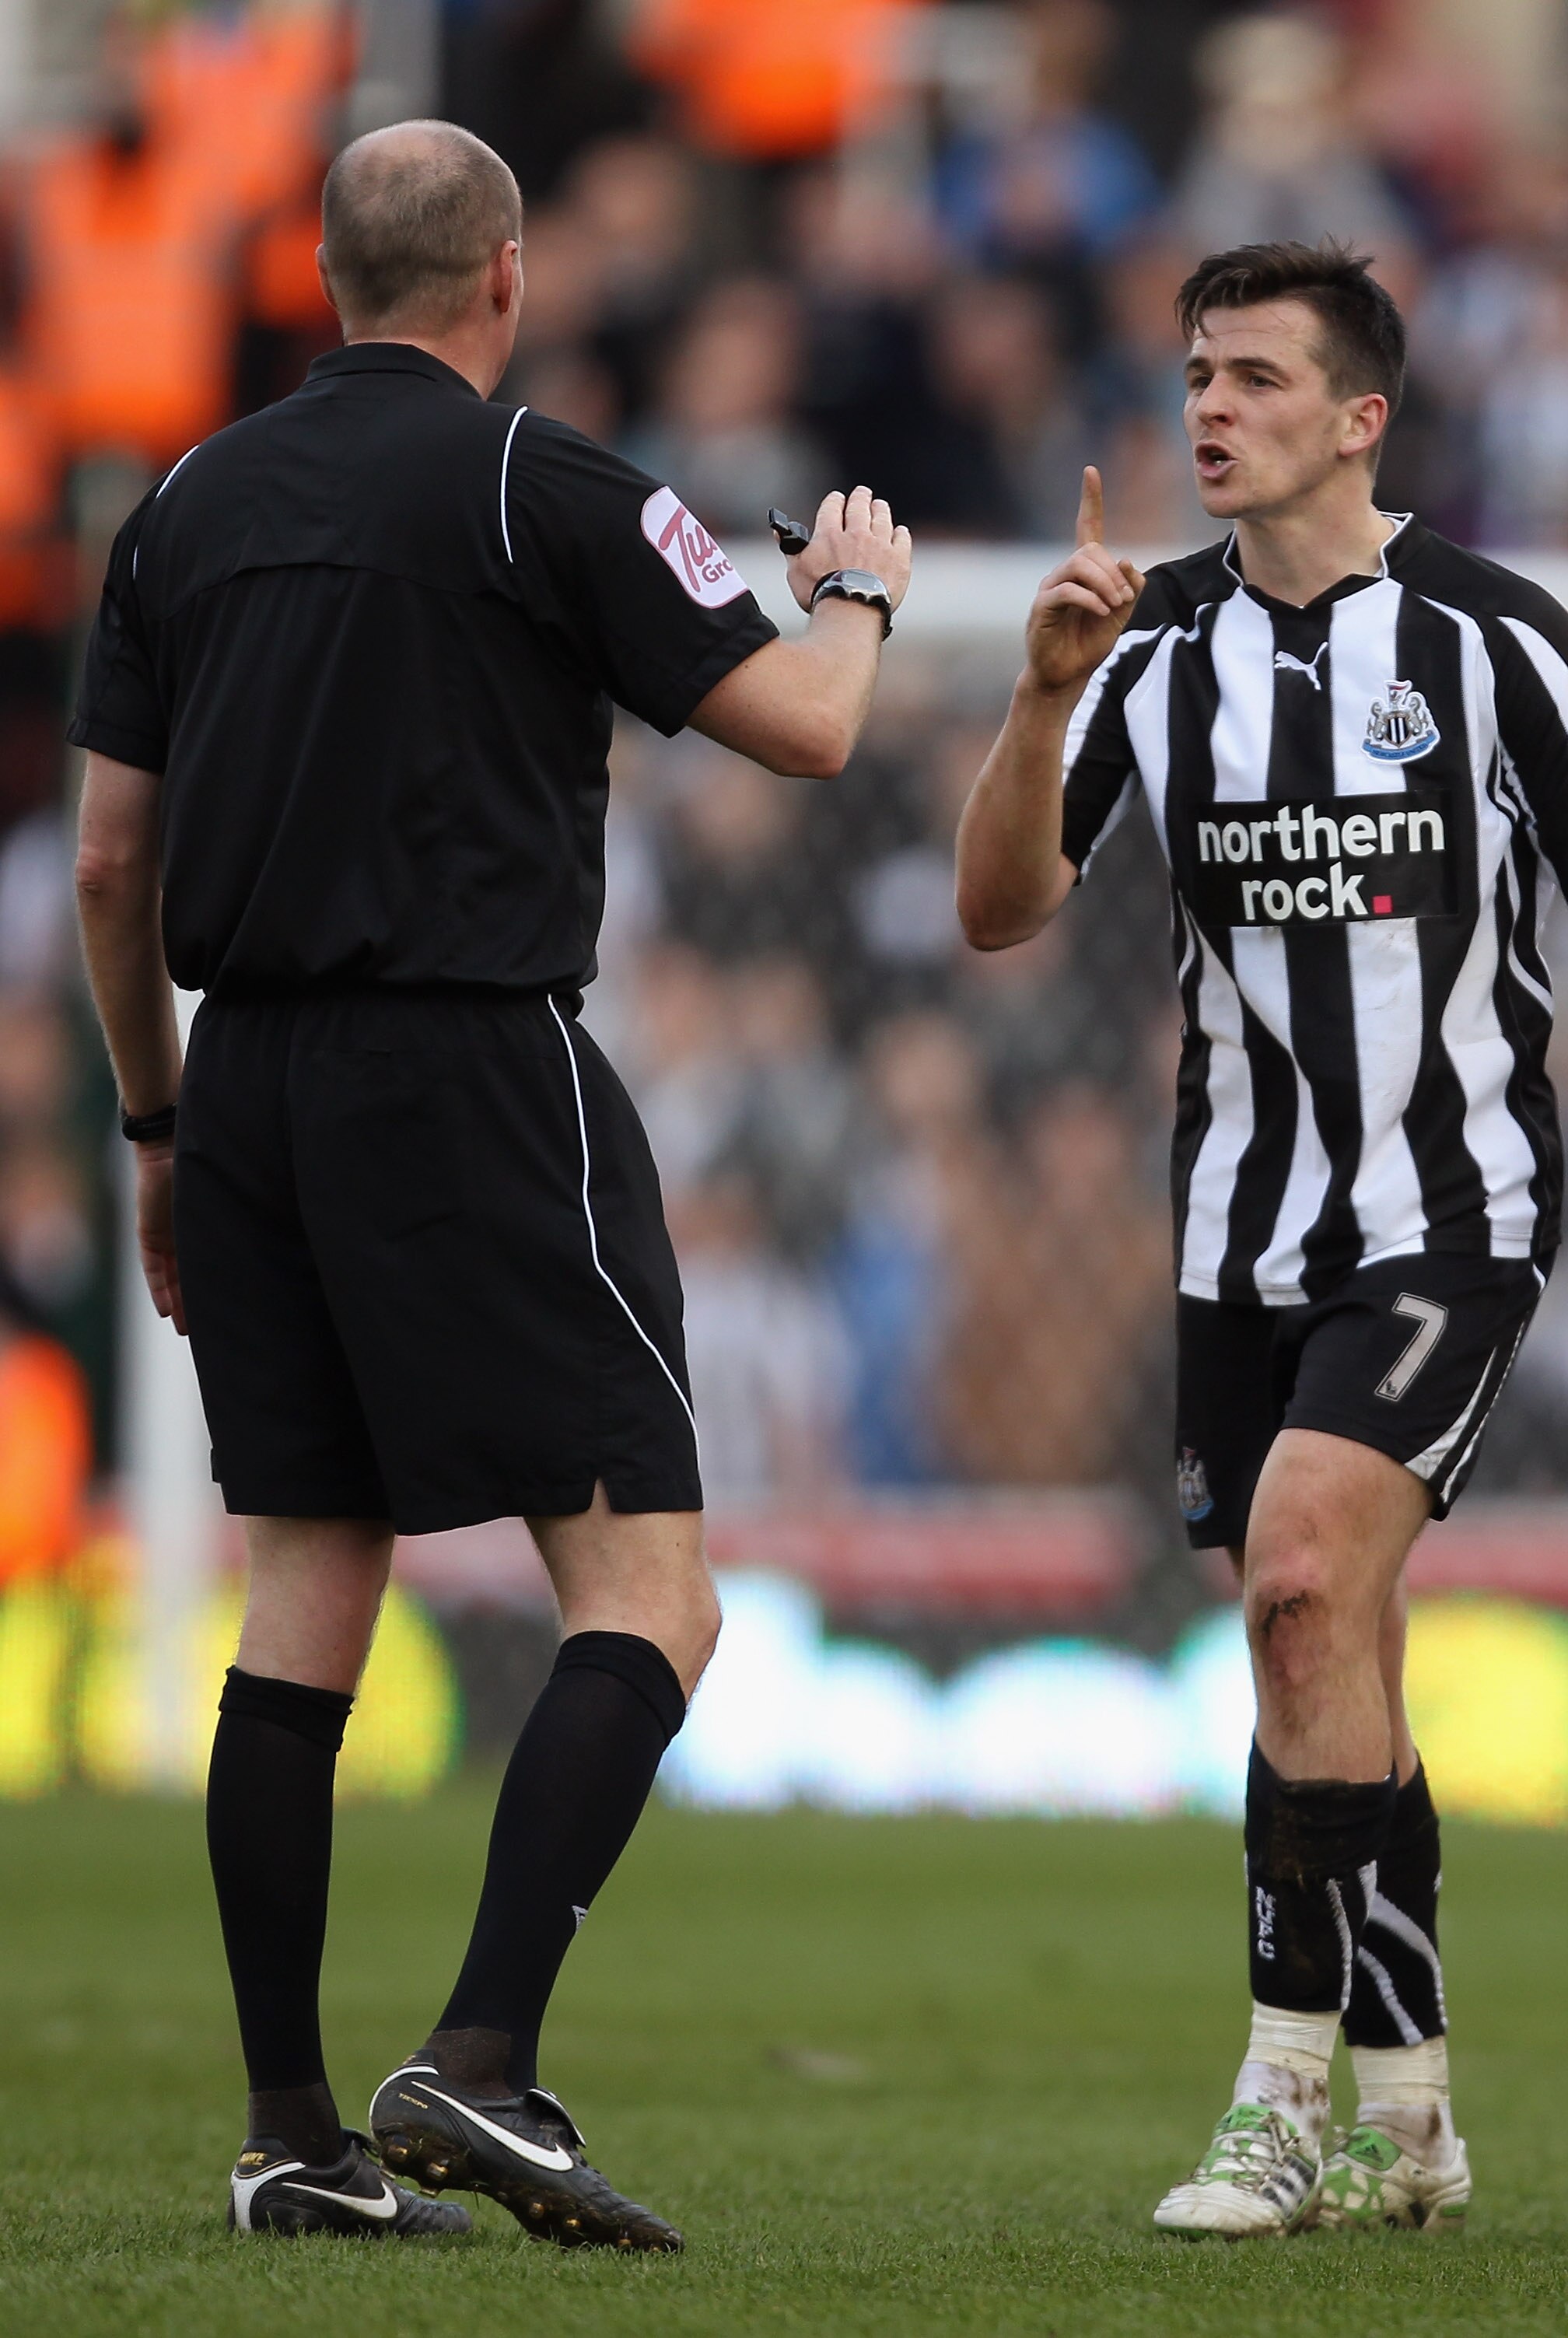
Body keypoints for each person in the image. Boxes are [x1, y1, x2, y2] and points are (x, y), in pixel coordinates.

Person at [71, 118, 910, 2249]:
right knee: (655, 1590)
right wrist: (861, 596)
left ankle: (283, 2130)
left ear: (334, 277)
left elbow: (105, 859)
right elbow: (808, 728)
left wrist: (160, 1127)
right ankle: (484, 2052)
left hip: (244, 1074)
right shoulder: (558, 482)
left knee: (304, 1590)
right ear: (507, 277)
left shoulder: (185, 501)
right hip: (470, 1063)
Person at [954, 239, 1568, 2239]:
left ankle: (1277, 2095)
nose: (1208, 409)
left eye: (1255, 379)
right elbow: (999, 910)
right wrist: (1040, 702)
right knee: (1325, 1651)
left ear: (1360, 416)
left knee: (1301, 1579)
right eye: (1196, 375)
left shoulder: (1501, 642)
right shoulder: (1146, 651)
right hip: (1240, 1233)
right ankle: (1411, 2112)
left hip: (1455, 1214)